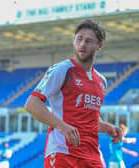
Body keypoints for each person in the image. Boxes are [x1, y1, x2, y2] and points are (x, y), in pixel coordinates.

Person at [25, 20, 122, 168]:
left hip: (92, 155)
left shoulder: (101, 81)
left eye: (88, 41)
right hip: (62, 152)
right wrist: (61, 126)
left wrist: (107, 127)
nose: (82, 44)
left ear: (99, 45)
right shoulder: (62, 69)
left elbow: (88, 120)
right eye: (79, 39)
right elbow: (32, 104)